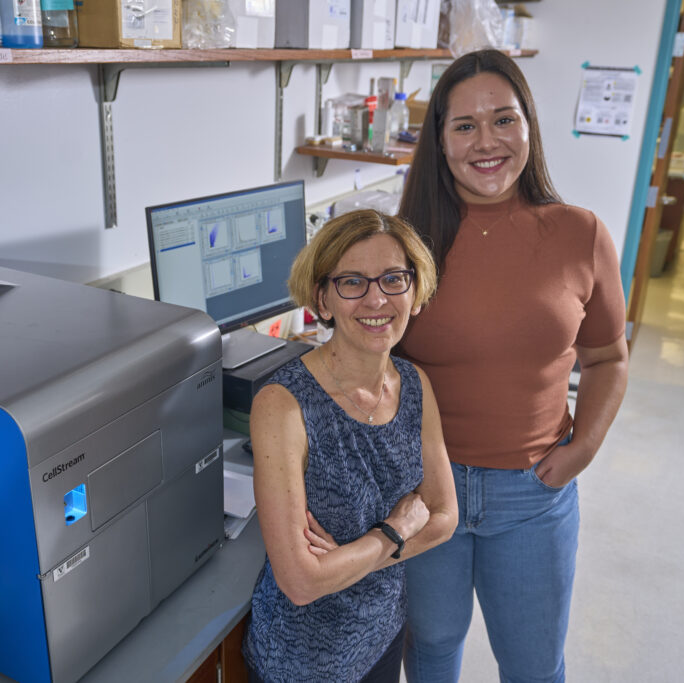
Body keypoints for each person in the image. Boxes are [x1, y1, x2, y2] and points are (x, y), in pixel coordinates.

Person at [396, 49, 630, 683]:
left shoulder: (580, 235)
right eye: (464, 126)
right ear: (440, 141)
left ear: (530, 125)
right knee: (433, 650)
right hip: (424, 488)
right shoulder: (403, 243)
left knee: (532, 665)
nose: (486, 142)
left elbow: (608, 356)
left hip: (533, 492)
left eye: (504, 119)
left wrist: (586, 446)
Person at [242, 210, 459, 683]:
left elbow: (444, 517)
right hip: (302, 663)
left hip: (381, 636)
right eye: (352, 282)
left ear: (415, 292)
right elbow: (300, 583)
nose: (377, 298)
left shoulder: (415, 385)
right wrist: (393, 532)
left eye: (393, 279)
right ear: (322, 299)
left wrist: (345, 560)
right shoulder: (282, 406)